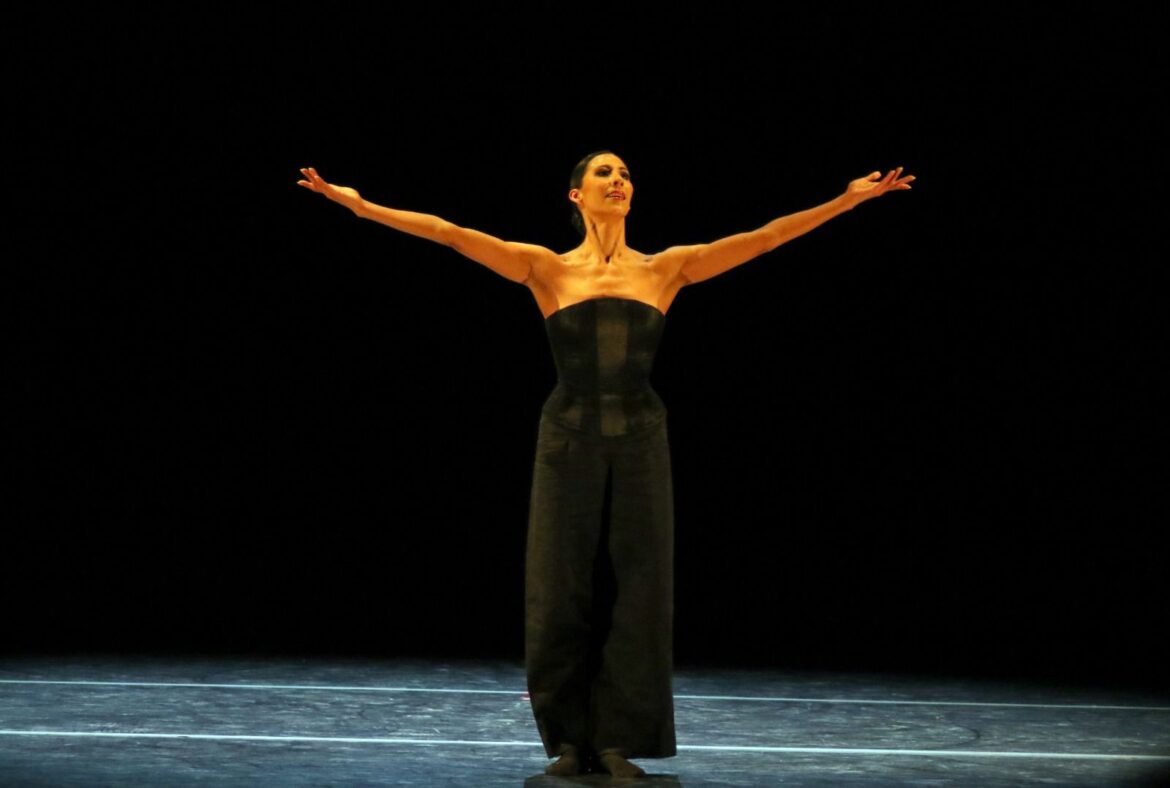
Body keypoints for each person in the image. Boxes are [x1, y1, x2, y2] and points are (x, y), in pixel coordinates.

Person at [296, 153, 915, 777]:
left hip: (642, 433)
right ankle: (569, 741)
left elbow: (765, 238)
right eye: (604, 174)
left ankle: (619, 739)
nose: (619, 181)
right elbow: (447, 232)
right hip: (567, 434)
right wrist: (361, 205)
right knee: (557, 587)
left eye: (625, 175)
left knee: (641, 588)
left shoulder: (666, 268)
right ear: (575, 195)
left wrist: (845, 201)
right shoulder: (546, 269)